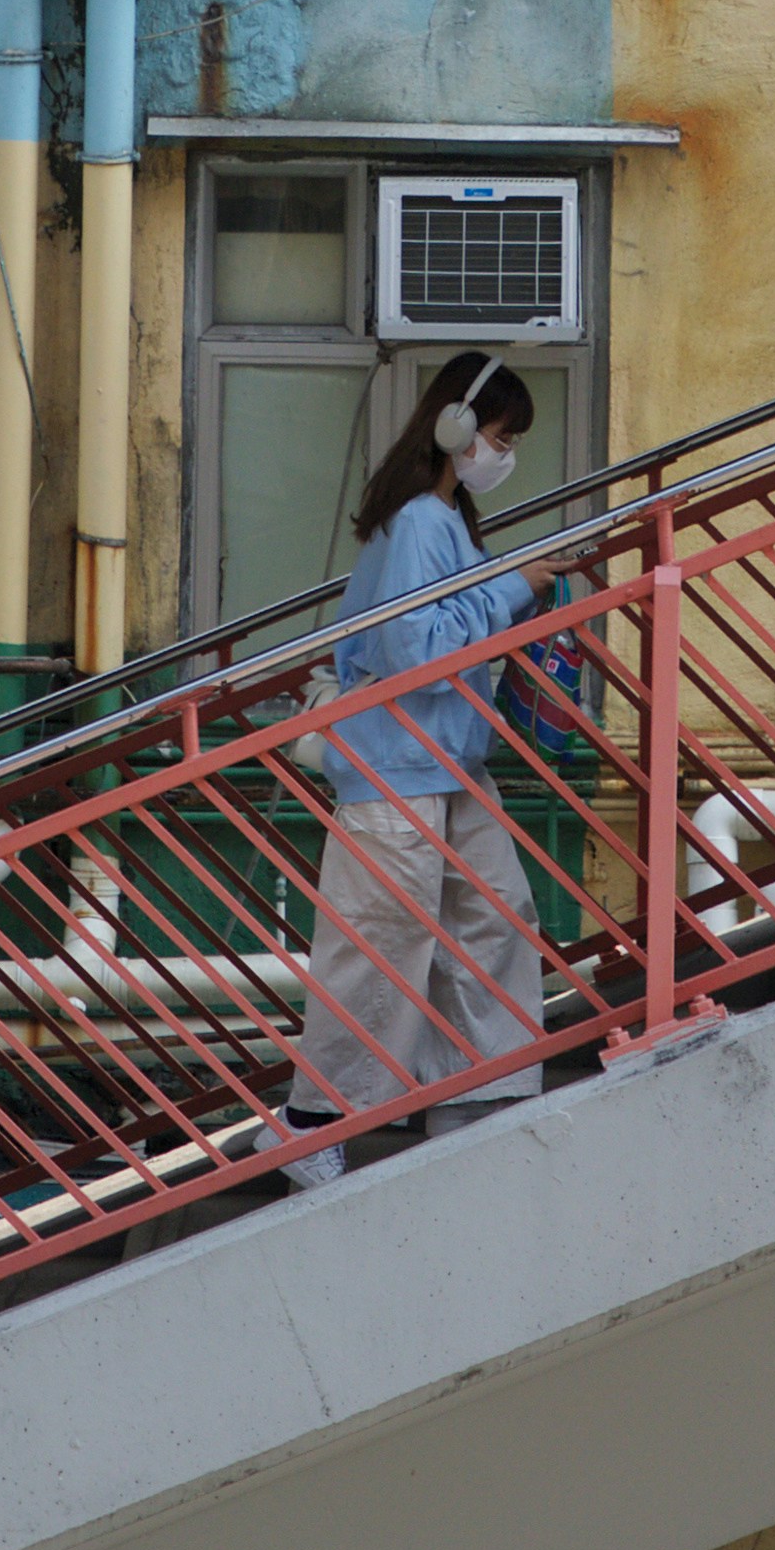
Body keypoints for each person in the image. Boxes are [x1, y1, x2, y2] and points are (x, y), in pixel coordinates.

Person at [278, 353, 546, 1190]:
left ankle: (483, 1094)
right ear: (456, 430)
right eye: (499, 437)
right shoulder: (420, 522)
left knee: (492, 919)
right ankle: (310, 1122)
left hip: (445, 762)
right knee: (380, 945)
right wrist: (513, 589)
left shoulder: (442, 521)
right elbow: (413, 649)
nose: (502, 455)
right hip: (398, 763)